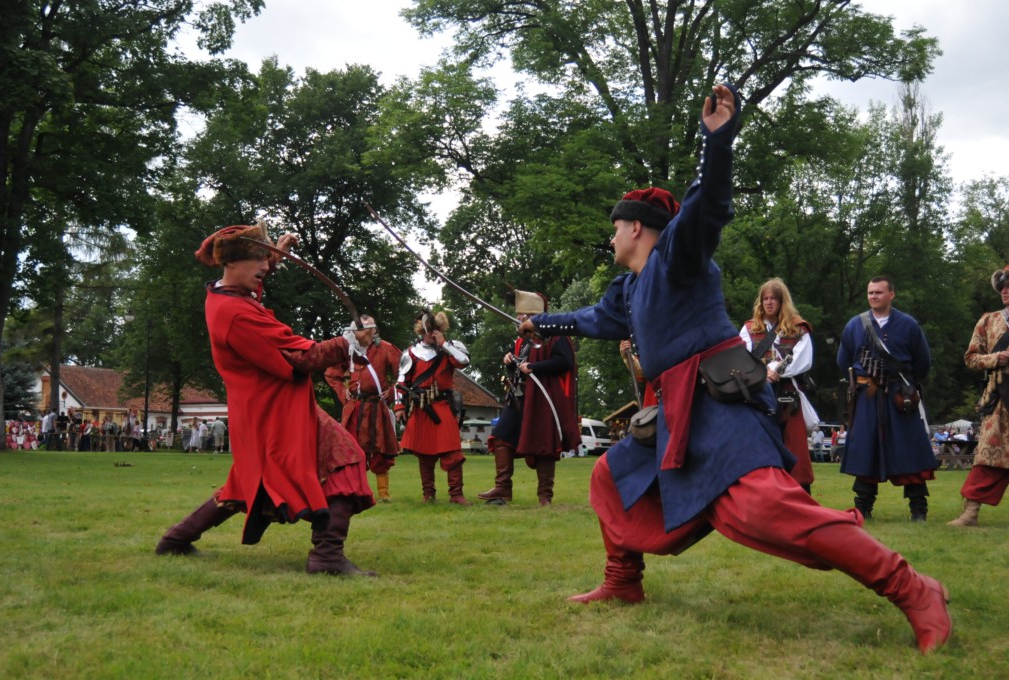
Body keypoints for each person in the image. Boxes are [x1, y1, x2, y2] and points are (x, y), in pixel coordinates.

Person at [517, 84, 950, 653]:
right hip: (674, 411)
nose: (611, 234)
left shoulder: (678, 256)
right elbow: (595, 318)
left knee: (765, 510)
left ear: (638, 227)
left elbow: (708, 205)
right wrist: (543, 324)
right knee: (609, 475)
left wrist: (716, 142)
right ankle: (623, 581)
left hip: (718, 403)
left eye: (616, 225)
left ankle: (913, 587)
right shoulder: (632, 287)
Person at [155, 223, 376, 576]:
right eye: (258, 259)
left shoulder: (226, 295)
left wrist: (273, 258)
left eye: (265, 259)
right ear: (232, 262)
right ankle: (327, 555)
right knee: (346, 459)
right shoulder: (236, 313)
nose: (263, 267)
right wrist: (348, 341)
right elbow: (300, 358)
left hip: (263, 408)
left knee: (245, 484)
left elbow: (254, 284)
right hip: (274, 411)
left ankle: (175, 540)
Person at [837, 276, 937, 522]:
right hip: (867, 397)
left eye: (879, 292)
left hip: (899, 397)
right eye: (870, 292)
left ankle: (918, 508)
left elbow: (922, 363)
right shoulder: (854, 325)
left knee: (909, 448)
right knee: (866, 450)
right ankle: (863, 508)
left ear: (891, 294)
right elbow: (843, 361)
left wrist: (904, 386)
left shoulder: (908, 324)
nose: (873, 296)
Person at [477, 290, 580, 506]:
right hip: (519, 396)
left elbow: (564, 362)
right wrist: (509, 360)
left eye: (522, 314)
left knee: (544, 444)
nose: (518, 318)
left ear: (533, 315)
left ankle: (545, 496)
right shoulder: (522, 340)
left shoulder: (555, 334)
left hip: (543, 397)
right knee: (501, 436)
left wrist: (534, 367)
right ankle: (503, 488)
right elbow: (517, 367)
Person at [948, 265, 1009, 527]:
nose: (1004, 292)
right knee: (988, 456)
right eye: (1002, 287)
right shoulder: (989, 320)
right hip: (1000, 397)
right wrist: (994, 358)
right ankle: (970, 513)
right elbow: (971, 358)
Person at [739, 278, 817, 492]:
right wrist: (762, 373)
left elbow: (803, 359)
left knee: (795, 446)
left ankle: (801, 495)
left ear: (783, 301)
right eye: (765, 298)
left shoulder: (798, 328)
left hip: (788, 395)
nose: (769, 302)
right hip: (757, 394)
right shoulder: (749, 329)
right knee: (759, 444)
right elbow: (741, 358)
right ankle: (763, 494)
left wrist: (776, 370)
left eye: (773, 298)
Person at [395, 310, 473, 505]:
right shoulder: (410, 352)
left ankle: (456, 494)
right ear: (422, 331)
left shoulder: (450, 347)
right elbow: (401, 382)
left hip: (443, 405)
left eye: (436, 330)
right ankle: (428, 494)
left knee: (452, 452)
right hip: (420, 407)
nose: (433, 333)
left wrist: (444, 344)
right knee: (424, 453)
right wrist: (399, 406)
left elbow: (463, 362)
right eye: (429, 330)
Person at [324, 315, 402, 502]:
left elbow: (404, 374)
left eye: (365, 327)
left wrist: (392, 392)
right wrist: (342, 392)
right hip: (355, 407)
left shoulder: (387, 348)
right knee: (352, 450)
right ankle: (357, 491)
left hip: (377, 407)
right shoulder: (348, 350)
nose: (360, 330)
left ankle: (383, 494)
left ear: (373, 330)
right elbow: (331, 374)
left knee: (380, 452)